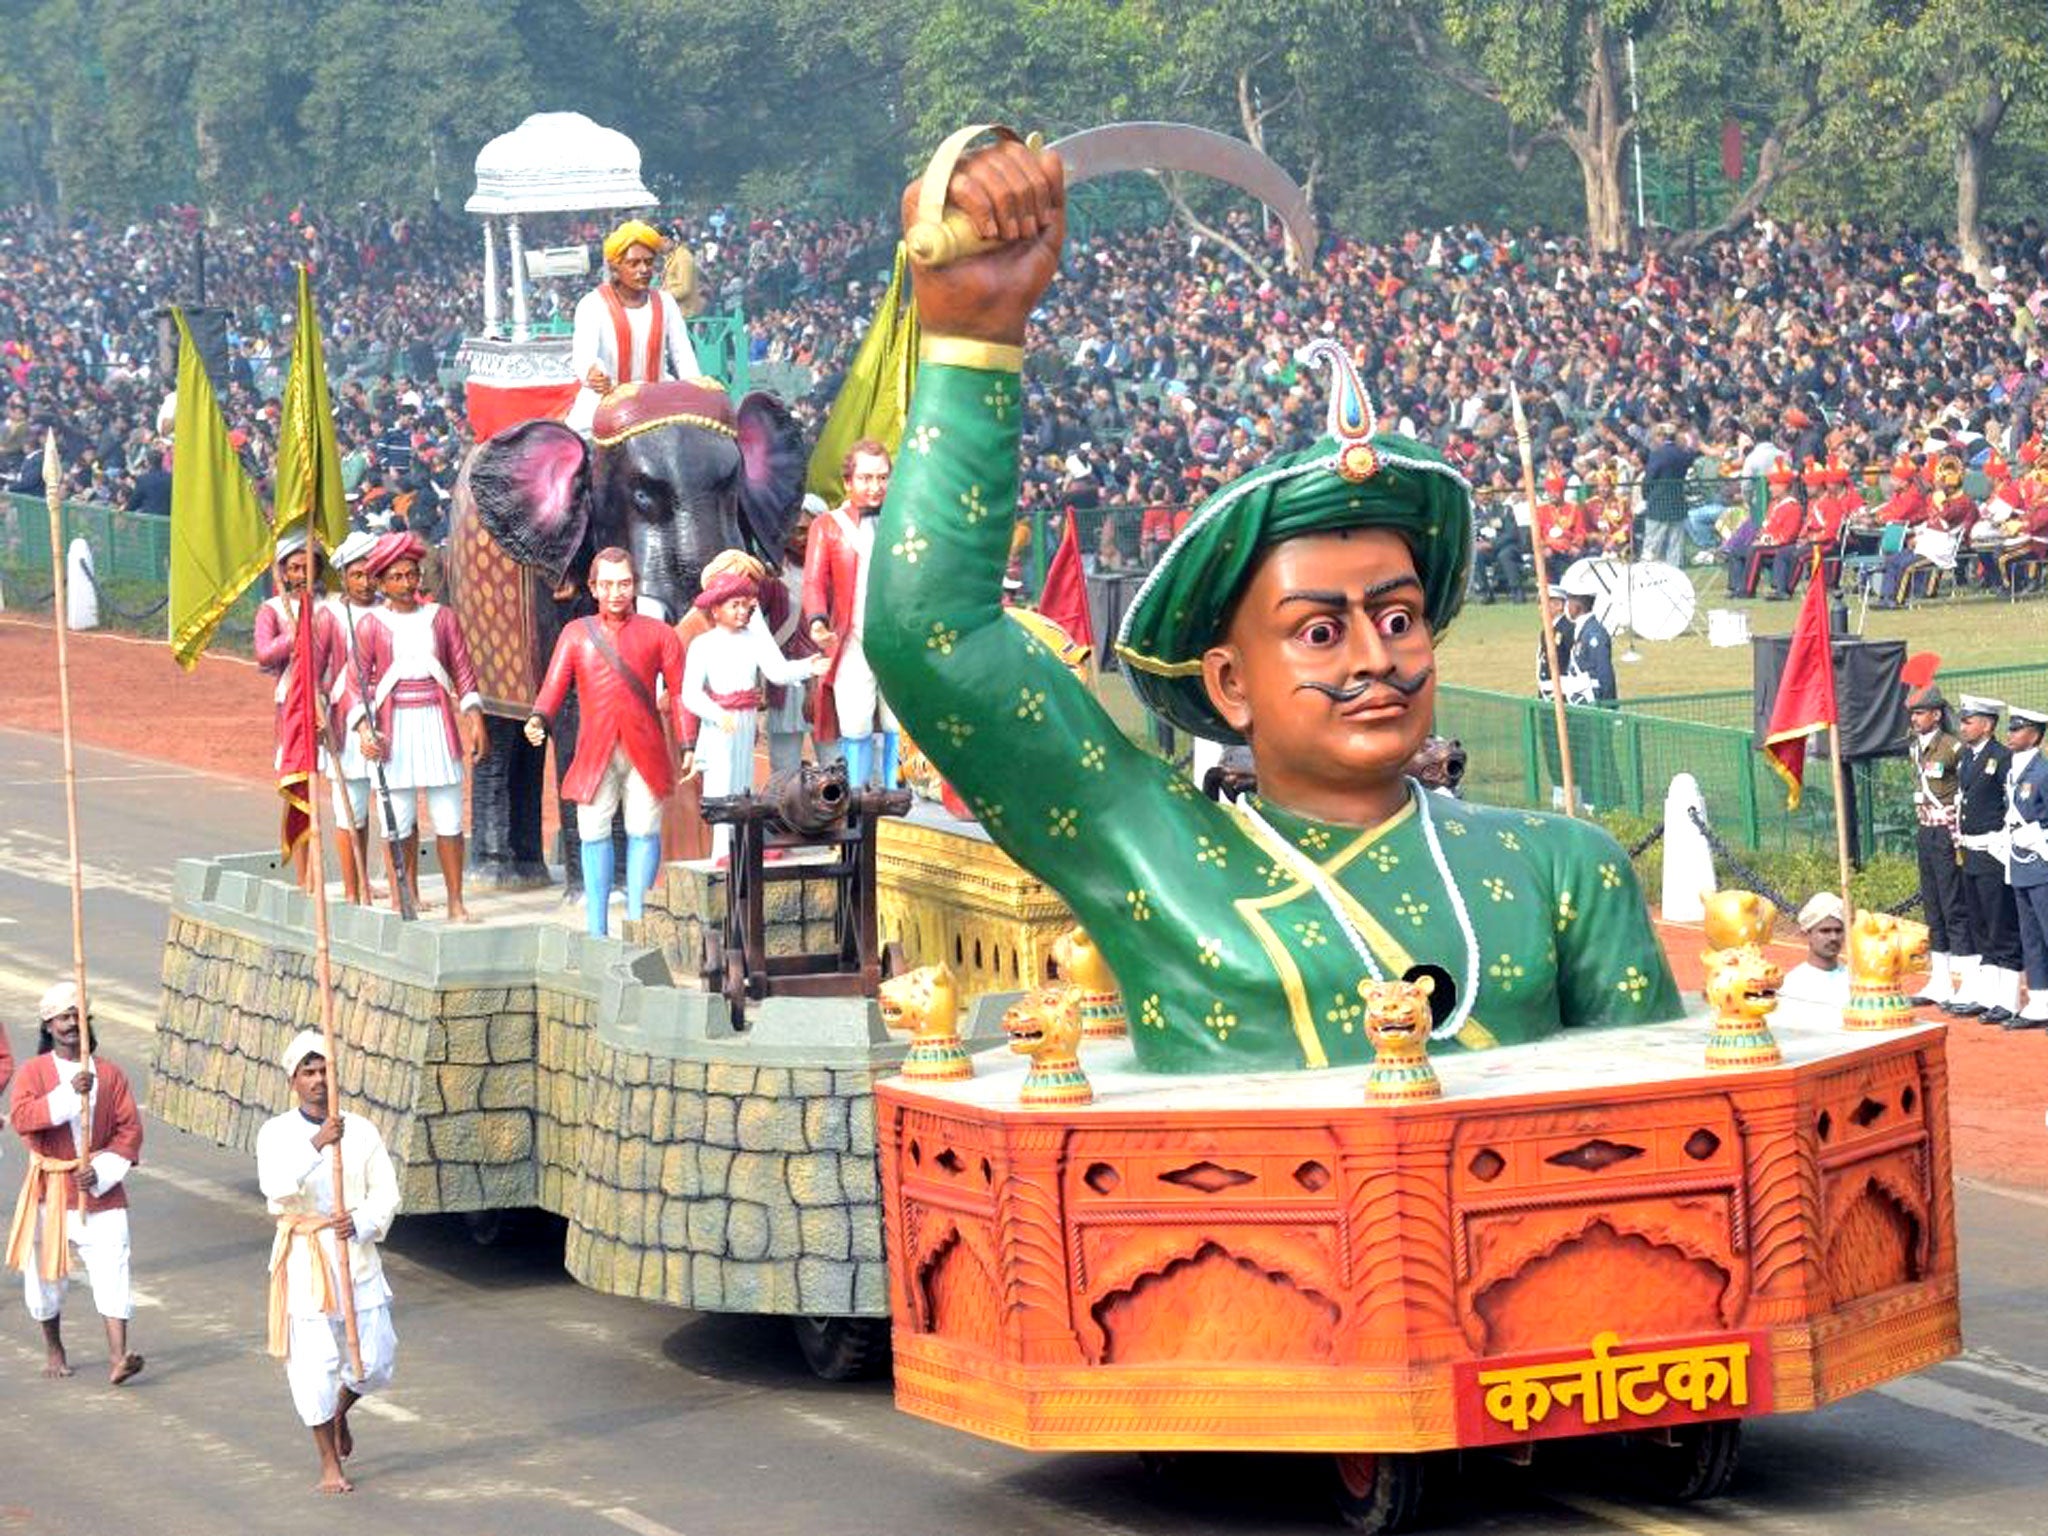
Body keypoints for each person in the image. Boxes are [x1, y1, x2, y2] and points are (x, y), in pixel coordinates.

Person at [864, 136, 1682, 1074]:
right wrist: (974, 337)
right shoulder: (1156, 847)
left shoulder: (1565, 869)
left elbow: (1669, 1124)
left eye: (1401, 618)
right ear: (1230, 681)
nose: (1376, 658)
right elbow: (928, 637)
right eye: (1321, 631)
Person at [257, 1031, 401, 1495]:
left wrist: (359, 1222)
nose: (319, 1080)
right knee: (314, 1364)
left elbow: (387, 1193)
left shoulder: (362, 1129)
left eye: (326, 1071)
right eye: (309, 1072)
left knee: (376, 1360)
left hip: (355, 1255)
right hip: (306, 1259)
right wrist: (317, 1143)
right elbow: (275, 1186)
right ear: (293, 1081)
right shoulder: (277, 1132)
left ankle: (340, 1410)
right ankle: (328, 1463)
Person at [525, 547, 689, 936]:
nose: (616, 592)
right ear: (594, 588)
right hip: (595, 750)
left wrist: (688, 744)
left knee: (644, 830)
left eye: (625, 583)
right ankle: (597, 927)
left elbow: (681, 694)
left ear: (635, 586)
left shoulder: (660, 634)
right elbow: (553, 685)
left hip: (644, 749)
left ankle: (637, 920)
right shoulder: (576, 634)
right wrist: (539, 717)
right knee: (594, 832)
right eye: (608, 584)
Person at [5, 981, 144, 1385]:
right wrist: (69, 1093)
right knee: (45, 1281)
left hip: (101, 1192)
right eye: (65, 1017)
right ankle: (54, 1346)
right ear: (48, 1025)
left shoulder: (110, 1074)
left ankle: (119, 1356)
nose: (72, 1025)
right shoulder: (34, 1072)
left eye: (79, 1017)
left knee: (113, 1269)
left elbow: (129, 1131)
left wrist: (100, 1173)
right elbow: (24, 1119)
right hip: (50, 1192)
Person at [349, 531, 488, 922]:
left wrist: (474, 716)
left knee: (448, 817)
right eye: (398, 577)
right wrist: (363, 730)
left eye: (412, 575)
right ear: (382, 582)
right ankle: (402, 894)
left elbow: (462, 669)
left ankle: (455, 900)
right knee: (400, 818)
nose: (408, 583)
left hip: (436, 723)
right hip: (393, 729)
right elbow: (355, 680)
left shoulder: (441, 618)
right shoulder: (371, 625)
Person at [679, 563, 828, 864]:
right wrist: (716, 712)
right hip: (720, 722)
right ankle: (722, 849)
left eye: (745, 606)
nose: (741, 612)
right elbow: (690, 693)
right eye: (734, 605)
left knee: (744, 781)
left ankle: (743, 842)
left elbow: (776, 671)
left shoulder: (753, 640)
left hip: (746, 719)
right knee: (722, 783)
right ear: (716, 610)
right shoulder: (702, 645)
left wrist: (807, 667)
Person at [804, 440, 901, 789]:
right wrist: (817, 621)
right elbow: (814, 581)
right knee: (855, 721)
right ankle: (857, 796)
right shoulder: (828, 526)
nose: (874, 487)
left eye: (882, 478)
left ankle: (896, 790)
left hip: (898, 642)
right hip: (852, 639)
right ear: (848, 482)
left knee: (898, 722)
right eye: (865, 478)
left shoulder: (904, 523)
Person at [254, 530, 343, 892]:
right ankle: (305, 876)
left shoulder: (336, 604)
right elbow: (263, 654)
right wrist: (297, 633)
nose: (302, 573)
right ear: (284, 572)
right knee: (301, 790)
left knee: (344, 785)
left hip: (335, 700)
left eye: (309, 565)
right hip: (293, 704)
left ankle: (354, 876)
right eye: (295, 567)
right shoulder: (273, 610)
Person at [567, 220, 701, 436]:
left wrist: (696, 387)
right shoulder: (592, 304)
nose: (644, 270)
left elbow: (682, 354)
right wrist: (593, 372)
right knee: (578, 447)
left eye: (649, 262)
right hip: (607, 399)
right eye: (634, 263)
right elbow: (584, 355)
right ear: (615, 268)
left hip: (659, 396)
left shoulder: (666, 303)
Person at [1952, 695, 2025, 1022]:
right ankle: (1988, 995)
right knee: (1980, 925)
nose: (1963, 726)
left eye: (1969, 721)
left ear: (1987, 724)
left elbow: (2011, 804)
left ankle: (2008, 1000)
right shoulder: (1968, 758)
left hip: (1993, 852)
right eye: (1963, 720)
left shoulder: (2002, 757)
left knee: (2001, 925)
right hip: (1971, 852)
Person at [1906, 684, 1974, 1008]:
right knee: (1932, 905)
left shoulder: (1953, 747)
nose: (1915, 719)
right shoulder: (1915, 748)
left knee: (1953, 905)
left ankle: (1969, 981)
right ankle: (1941, 979)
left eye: (1920, 713)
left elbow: (1963, 788)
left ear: (1936, 714)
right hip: (1926, 830)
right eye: (1913, 713)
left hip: (1947, 832)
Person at [324, 529, 382, 906]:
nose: (364, 583)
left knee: (392, 806)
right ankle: (352, 887)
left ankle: (381, 883)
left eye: (370, 574)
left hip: (388, 716)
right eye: (356, 575)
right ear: (343, 576)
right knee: (351, 809)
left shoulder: (387, 610)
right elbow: (315, 671)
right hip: (343, 718)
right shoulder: (328, 614)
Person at [2000, 705, 2048, 1029]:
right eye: (2011, 728)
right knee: (2030, 935)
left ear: (2034, 735)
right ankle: (2041, 1000)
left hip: (2042, 862)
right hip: (2020, 863)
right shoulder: (2013, 772)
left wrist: (2037, 836)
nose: (2010, 734)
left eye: (2017, 729)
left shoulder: (2042, 773)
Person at [1780, 892, 1850, 1009]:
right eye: (1825, 931)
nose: (1833, 937)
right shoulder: (1793, 985)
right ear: (1807, 935)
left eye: (1838, 931)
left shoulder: (1855, 979)